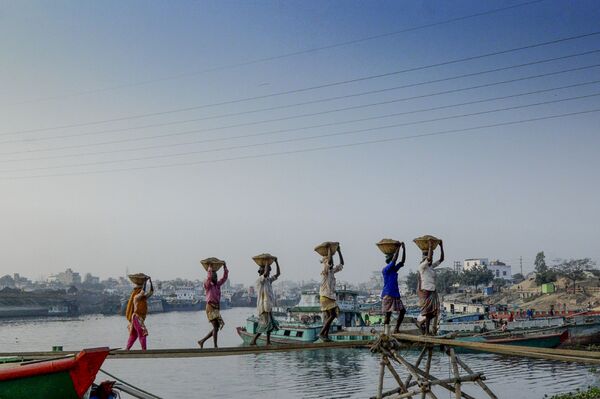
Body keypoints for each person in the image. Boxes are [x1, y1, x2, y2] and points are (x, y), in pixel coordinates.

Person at [416, 240, 444, 335]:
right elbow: (429, 258)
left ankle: (423, 324)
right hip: (426, 291)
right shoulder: (422, 266)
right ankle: (427, 331)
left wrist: (441, 246)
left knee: (434, 312)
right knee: (428, 313)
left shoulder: (431, 267)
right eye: (429, 257)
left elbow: (441, 259)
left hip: (433, 290)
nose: (431, 259)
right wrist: (430, 246)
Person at [250, 258, 281, 345]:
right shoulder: (260, 280)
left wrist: (276, 262)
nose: (269, 273)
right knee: (265, 324)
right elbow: (266, 273)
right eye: (267, 271)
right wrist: (267, 262)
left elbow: (278, 274)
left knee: (270, 324)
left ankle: (267, 341)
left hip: (268, 305)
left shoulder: (268, 280)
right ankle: (254, 340)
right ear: (262, 272)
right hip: (263, 306)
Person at [198, 263, 229, 348]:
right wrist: (209, 269)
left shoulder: (217, 285)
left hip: (216, 308)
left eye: (216, 276)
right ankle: (215, 345)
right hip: (210, 307)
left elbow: (224, 278)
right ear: (211, 277)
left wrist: (225, 268)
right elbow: (208, 277)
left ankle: (202, 341)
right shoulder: (208, 285)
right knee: (215, 326)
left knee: (217, 327)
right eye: (214, 276)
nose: (215, 278)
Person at [318, 245, 344, 342]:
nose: (332, 264)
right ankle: (321, 333)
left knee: (330, 316)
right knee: (332, 315)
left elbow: (342, 264)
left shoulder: (332, 272)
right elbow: (329, 262)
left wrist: (339, 251)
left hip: (328, 296)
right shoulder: (325, 271)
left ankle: (325, 335)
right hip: (326, 296)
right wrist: (329, 250)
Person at [381, 242, 406, 335]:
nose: (393, 261)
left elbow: (402, 261)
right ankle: (385, 332)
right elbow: (395, 260)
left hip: (395, 294)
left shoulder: (394, 269)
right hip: (388, 294)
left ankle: (396, 329)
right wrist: (398, 248)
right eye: (392, 260)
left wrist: (404, 249)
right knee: (388, 314)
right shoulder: (386, 269)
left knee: (403, 311)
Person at [125, 276, 154, 351]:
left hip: (139, 318)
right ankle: (144, 350)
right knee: (142, 332)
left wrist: (150, 283)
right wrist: (145, 282)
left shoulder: (143, 298)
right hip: (137, 317)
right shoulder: (136, 297)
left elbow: (151, 292)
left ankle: (127, 349)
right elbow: (142, 292)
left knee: (133, 335)